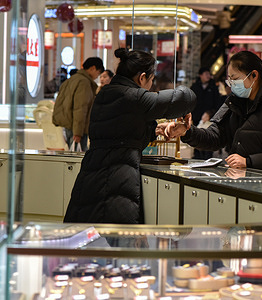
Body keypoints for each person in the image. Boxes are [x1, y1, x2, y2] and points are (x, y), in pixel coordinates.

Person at [63, 48, 196, 224]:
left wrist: (154, 129)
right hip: (117, 178)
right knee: (120, 240)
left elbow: (119, 130)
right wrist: (185, 111)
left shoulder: (106, 93)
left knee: (87, 238)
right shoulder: (134, 97)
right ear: (142, 77)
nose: (151, 85)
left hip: (90, 175)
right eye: (151, 79)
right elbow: (186, 98)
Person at [164, 51, 262, 174]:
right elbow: (215, 137)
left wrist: (249, 162)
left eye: (235, 79)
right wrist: (186, 132)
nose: (232, 84)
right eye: (229, 79)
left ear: (254, 75)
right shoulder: (234, 103)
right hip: (238, 182)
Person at [53, 57, 105, 151]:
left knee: (71, 156)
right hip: (77, 128)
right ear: (93, 68)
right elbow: (80, 108)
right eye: (98, 73)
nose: (98, 76)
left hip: (68, 125)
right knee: (79, 158)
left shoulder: (73, 79)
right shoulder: (84, 82)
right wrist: (78, 133)